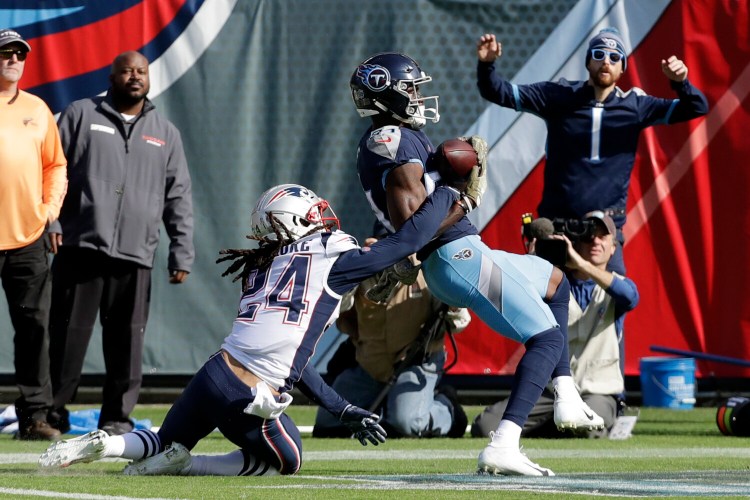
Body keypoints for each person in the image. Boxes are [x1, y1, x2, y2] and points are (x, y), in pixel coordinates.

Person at [39, 181, 467, 475]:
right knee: (288, 459)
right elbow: (407, 243)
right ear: (298, 220)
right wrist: (447, 193)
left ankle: (105, 444)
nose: (324, 217)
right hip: (250, 393)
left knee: (163, 439)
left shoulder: (265, 265)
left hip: (215, 373)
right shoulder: (330, 256)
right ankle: (190, 464)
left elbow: (290, 357)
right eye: (314, 212)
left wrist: (344, 408)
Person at [350, 52, 604, 477]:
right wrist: (464, 194)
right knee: (546, 339)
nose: (417, 96)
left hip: (463, 252)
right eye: (409, 88)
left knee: (555, 281)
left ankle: (566, 396)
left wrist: (454, 187)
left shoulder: (401, 137)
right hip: (454, 256)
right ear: (386, 94)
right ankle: (504, 443)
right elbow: (416, 227)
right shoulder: (389, 139)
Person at [476, 28, 709, 275]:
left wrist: (680, 82)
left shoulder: (635, 106)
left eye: (615, 57)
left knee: (613, 306)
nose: (606, 61)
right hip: (557, 232)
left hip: (604, 235)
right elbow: (499, 92)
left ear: (623, 69)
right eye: (598, 54)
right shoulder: (559, 96)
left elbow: (697, 106)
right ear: (588, 61)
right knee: (545, 311)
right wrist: (486, 65)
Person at [46, 51, 194, 436]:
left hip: (136, 253)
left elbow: (178, 196)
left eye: (141, 71)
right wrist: (54, 220)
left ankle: (116, 418)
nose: (135, 77)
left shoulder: (165, 132)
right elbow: (51, 172)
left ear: (149, 78)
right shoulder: (80, 115)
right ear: (111, 76)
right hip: (80, 246)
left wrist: (181, 250)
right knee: (67, 337)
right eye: (126, 70)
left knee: (127, 345)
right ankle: (51, 414)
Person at [472, 211, 639, 438]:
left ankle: (549, 428)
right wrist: (532, 263)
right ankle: (551, 426)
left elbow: (630, 297)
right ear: (575, 241)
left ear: (613, 248)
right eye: (589, 235)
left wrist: (580, 262)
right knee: (485, 426)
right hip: (552, 391)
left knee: (586, 429)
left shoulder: (616, 285)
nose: (595, 241)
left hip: (597, 392)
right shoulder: (553, 283)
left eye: (603, 237)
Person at [312, 222, 472, 438]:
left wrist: (454, 304)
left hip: (415, 362)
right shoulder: (360, 268)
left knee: (406, 424)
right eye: (386, 246)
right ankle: (383, 407)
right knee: (328, 423)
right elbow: (337, 311)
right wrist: (352, 270)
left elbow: (460, 323)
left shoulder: (428, 266)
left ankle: (447, 408)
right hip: (369, 364)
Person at [0, 29, 67, 440]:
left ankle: (35, 417)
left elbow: (55, 165)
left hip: (28, 237)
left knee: (34, 329)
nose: (12, 59)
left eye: (18, 54)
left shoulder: (37, 109)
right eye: (4, 53)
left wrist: (49, 211)